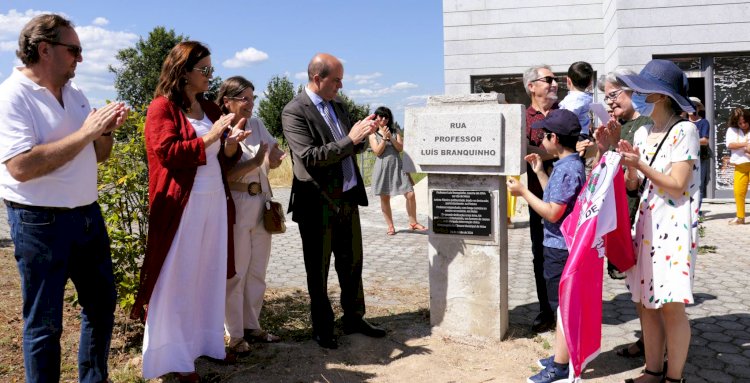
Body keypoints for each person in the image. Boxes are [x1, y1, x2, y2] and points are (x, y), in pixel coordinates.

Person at [0, 14, 128, 383]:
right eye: (74, 50)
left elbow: (99, 154)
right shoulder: (13, 96)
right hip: (39, 222)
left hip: (86, 215)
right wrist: (86, 132)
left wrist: (104, 131)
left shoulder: (75, 93)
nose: (80, 58)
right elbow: (21, 166)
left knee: (102, 307)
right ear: (44, 49)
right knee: (44, 324)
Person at [131, 41, 250, 382]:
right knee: (179, 279)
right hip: (182, 206)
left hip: (214, 201)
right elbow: (168, 152)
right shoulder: (162, 108)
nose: (211, 75)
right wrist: (213, 136)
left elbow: (225, 158)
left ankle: (209, 343)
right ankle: (176, 358)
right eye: (205, 70)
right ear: (184, 72)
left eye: (212, 69)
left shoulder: (211, 107)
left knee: (209, 276)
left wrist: (229, 144)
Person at [282, 53, 384, 349]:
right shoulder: (294, 111)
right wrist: (351, 140)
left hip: (348, 199)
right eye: (336, 80)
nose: (341, 85)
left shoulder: (338, 106)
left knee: (352, 263)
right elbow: (311, 157)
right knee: (319, 269)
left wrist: (364, 134)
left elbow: (350, 145)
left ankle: (354, 317)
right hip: (317, 203)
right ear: (317, 78)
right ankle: (323, 327)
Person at [617, 59, 699, 383]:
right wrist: (631, 169)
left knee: (671, 305)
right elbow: (633, 186)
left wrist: (641, 165)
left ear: (660, 95)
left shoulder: (686, 130)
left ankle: (673, 377)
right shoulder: (644, 131)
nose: (638, 94)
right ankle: (652, 370)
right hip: (647, 224)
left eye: (644, 89)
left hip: (674, 227)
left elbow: (677, 183)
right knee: (647, 303)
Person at [506, 109, 586, 383]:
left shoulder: (569, 169)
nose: (540, 139)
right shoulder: (567, 165)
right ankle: (561, 357)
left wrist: (523, 192)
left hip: (560, 248)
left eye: (543, 135)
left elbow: (552, 212)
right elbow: (556, 197)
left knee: (562, 309)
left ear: (554, 138)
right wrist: (540, 172)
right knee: (561, 306)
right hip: (560, 245)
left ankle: (561, 367)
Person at [217, 76, 286, 353]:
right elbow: (224, 174)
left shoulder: (257, 124)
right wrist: (257, 162)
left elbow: (272, 151)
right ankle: (233, 335)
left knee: (257, 270)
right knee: (236, 272)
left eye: (252, 98)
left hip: (261, 204)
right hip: (236, 203)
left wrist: (274, 158)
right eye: (244, 98)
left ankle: (252, 325)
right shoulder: (220, 128)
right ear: (227, 102)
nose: (250, 104)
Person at [589, 69, 654, 358]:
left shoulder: (646, 126)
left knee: (645, 285)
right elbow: (602, 172)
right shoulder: (615, 126)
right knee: (634, 285)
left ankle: (655, 346)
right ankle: (649, 342)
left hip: (641, 214)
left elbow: (634, 179)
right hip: (617, 214)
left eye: (614, 95)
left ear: (632, 92)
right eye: (606, 98)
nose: (611, 102)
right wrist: (601, 148)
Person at [522, 64, 559, 333]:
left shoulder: (566, 114)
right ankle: (546, 310)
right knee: (541, 255)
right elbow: (525, 152)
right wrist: (560, 152)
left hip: (568, 197)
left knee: (567, 255)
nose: (554, 83)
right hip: (538, 198)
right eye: (548, 79)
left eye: (555, 78)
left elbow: (584, 149)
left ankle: (567, 309)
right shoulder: (523, 119)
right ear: (532, 86)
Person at [368, 106, 427, 235]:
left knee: (410, 194)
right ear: (376, 117)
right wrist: (383, 138)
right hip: (382, 168)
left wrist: (390, 137)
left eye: (386, 117)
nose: (383, 119)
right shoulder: (372, 135)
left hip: (398, 166)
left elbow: (400, 148)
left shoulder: (395, 132)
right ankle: (390, 226)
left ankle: (413, 222)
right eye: (380, 116)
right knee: (385, 197)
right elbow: (377, 152)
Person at [725, 107, 750, 225]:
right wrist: (745, 144)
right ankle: (740, 217)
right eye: (740, 123)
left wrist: (742, 147)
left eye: (745, 122)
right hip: (740, 164)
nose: (743, 125)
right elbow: (730, 145)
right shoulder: (732, 130)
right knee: (738, 192)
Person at [559, 61, 594, 138]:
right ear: (589, 83)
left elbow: (568, 118)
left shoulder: (575, 99)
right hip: (582, 134)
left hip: (575, 136)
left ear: (568, 80)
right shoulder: (584, 98)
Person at [688, 97, 711, 207]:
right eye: (689, 105)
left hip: (701, 158)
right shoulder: (682, 122)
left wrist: (688, 139)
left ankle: (698, 212)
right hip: (685, 158)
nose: (692, 108)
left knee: (699, 185)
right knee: (686, 184)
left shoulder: (704, 122)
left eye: (694, 105)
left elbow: (705, 141)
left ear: (698, 108)